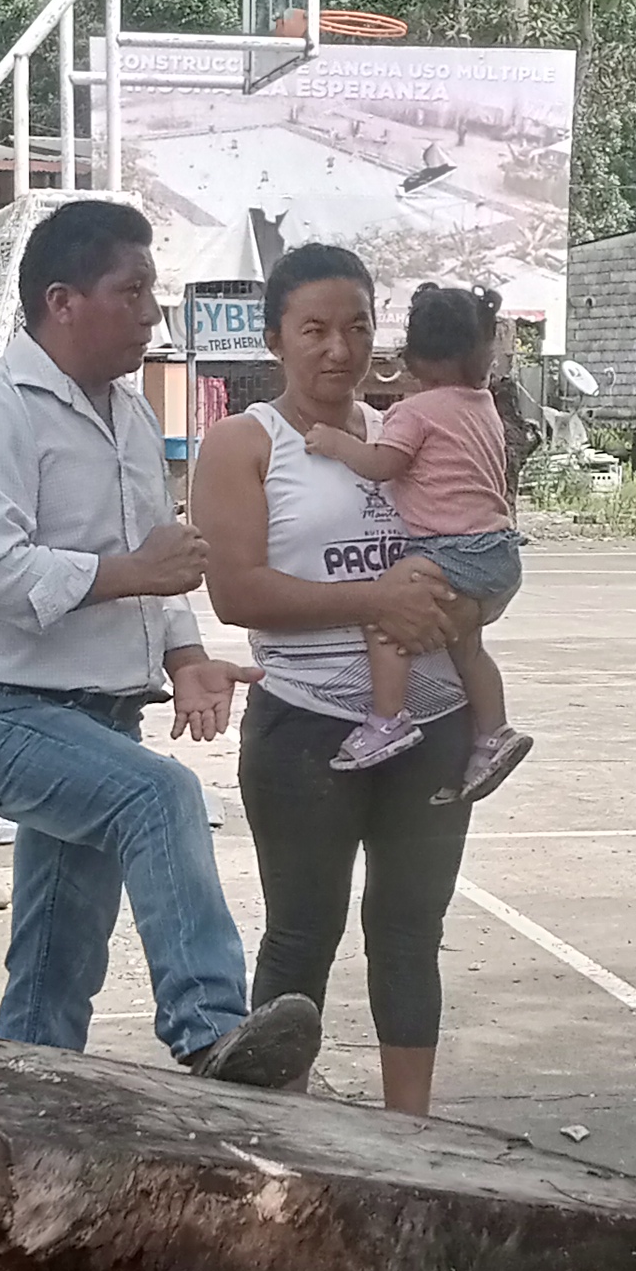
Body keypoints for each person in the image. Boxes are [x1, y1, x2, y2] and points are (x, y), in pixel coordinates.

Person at [0, 197, 320, 1085]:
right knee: (161, 797)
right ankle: (210, 1030)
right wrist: (131, 572)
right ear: (62, 301)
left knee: (57, 958)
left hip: (100, 717)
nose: (152, 314)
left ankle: (25, 1102)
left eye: (153, 291)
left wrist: (185, 657)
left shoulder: (132, 415)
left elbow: (162, 558)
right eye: (132, 291)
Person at [192, 242, 481, 1117]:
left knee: (410, 933)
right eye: (314, 329)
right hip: (308, 729)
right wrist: (376, 600)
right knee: (301, 936)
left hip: (433, 722)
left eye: (357, 327)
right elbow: (237, 592)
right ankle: (282, 1139)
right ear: (274, 338)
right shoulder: (245, 443)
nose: (339, 349)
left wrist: (465, 605)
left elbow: (476, 541)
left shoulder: (405, 433)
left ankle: (410, 1137)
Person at [302, 280, 531, 798]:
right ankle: (494, 733)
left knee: (385, 610)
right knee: (467, 648)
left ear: (412, 357)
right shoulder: (482, 404)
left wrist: (336, 443)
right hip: (498, 552)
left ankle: (388, 720)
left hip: (453, 549)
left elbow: (382, 465)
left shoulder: (416, 411)